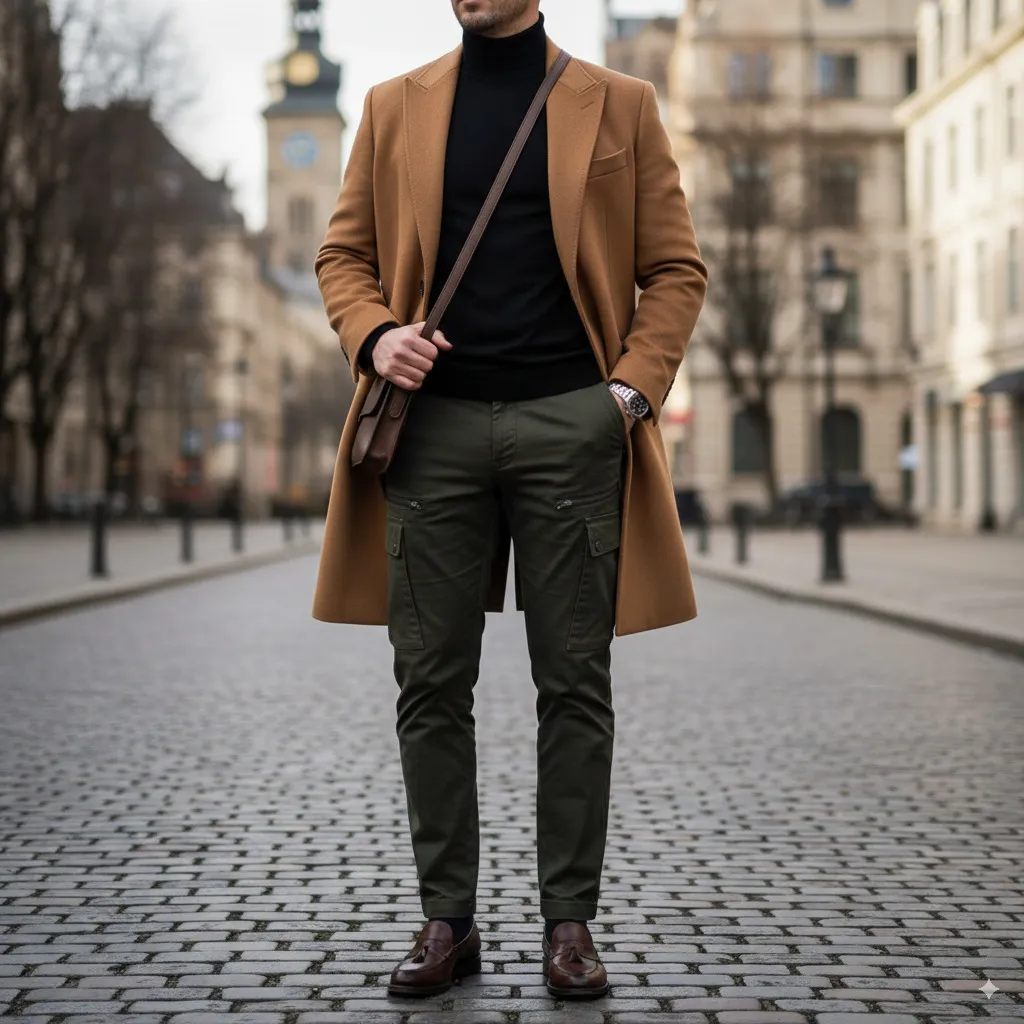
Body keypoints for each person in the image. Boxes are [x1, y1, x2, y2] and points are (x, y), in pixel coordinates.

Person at [312, 0, 708, 1001]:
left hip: (570, 427)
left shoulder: (619, 102)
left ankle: (568, 922)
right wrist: (372, 335)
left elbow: (674, 268)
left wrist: (624, 394)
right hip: (428, 430)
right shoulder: (394, 104)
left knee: (573, 683)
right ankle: (447, 919)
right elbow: (342, 256)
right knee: (429, 682)